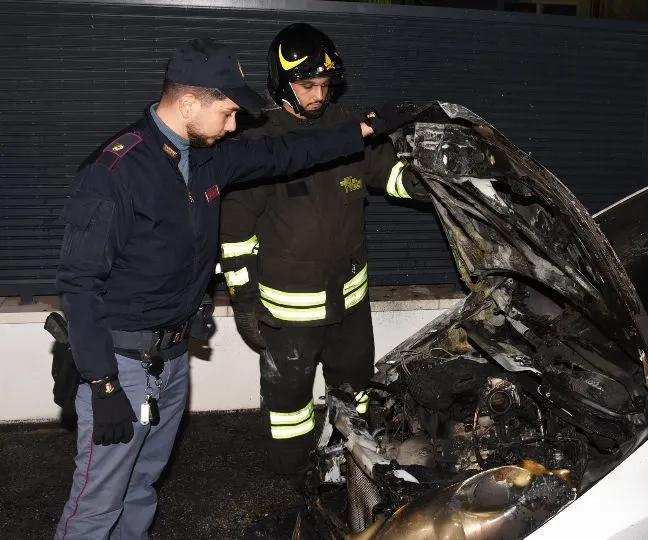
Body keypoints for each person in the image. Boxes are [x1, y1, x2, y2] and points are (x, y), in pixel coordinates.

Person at [53, 37, 410, 539]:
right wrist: (103, 384)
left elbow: (292, 152)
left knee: (141, 486)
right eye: (226, 111)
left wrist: (365, 128)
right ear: (190, 102)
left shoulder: (204, 159)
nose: (234, 124)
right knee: (97, 503)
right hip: (122, 366)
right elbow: (79, 284)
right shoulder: (114, 173)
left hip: (172, 358)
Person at [217, 23, 430, 475]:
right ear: (281, 82)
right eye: (307, 85)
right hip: (288, 312)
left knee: (356, 391)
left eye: (325, 85)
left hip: (350, 302)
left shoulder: (347, 125)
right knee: (289, 404)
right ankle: (295, 475)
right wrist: (245, 301)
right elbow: (235, 234)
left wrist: (427, 183)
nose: (319, 95)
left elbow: (387, 174)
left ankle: (356, 468)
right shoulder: (259, 143)